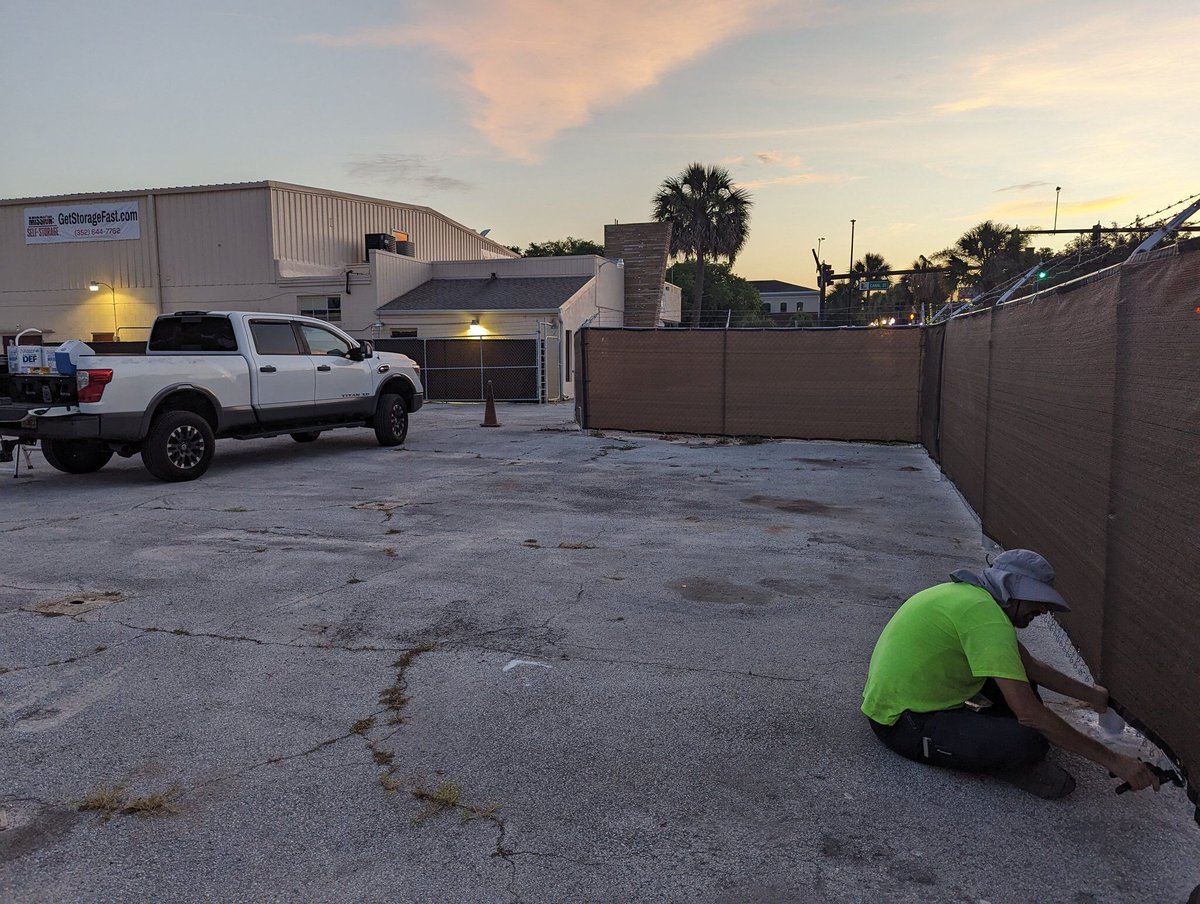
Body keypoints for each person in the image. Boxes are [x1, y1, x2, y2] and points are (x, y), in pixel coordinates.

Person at [862, 549, 1160, 799]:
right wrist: (1115, 761)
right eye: (1036, 600)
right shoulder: (985, 619)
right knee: (1029, 739)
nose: (1043, 609)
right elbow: (1030, 714)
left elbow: (1032, 667)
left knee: (1021, 684)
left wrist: (1093, 696)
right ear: (1011, 590)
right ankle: (1007, 762)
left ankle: (993, 744)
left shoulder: (973, 601)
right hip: (903, 725)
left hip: (903, 705)